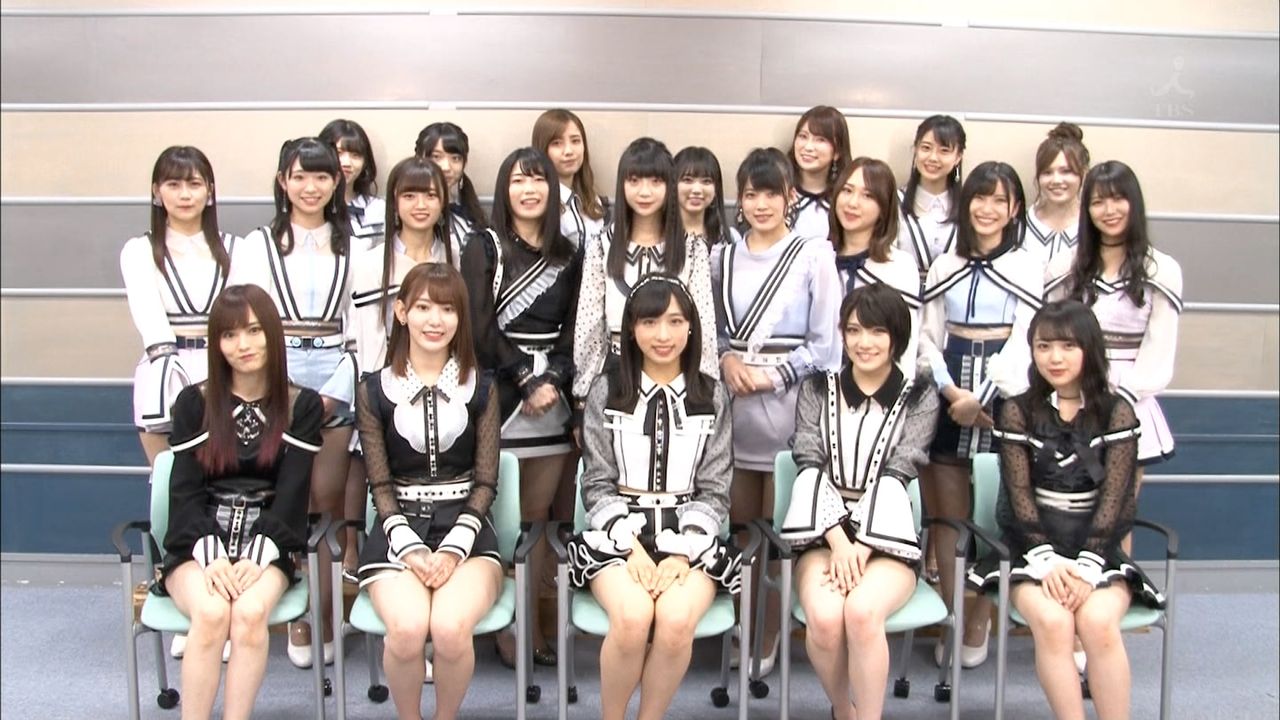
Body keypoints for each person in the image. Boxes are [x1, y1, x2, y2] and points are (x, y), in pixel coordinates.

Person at [970, 299, 1164, 720]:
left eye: (1067, 346)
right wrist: (1048, 562)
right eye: (1043, 346)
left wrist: (1088, 565)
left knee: (1097, 623)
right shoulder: (1016, 410)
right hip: (1031, 548)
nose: (1054, 358)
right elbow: (1016, 500)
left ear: (1089, 349)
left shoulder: (1117, 412)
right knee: (1055, 623)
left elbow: (1118, 501)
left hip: (1098, 549)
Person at [567, 275, 741, 720]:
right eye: (649, 322)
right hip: (618, 536)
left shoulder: (712, 394)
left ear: (691, 327)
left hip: (691, 538)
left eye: (675, 321)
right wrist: (631, 549)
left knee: (677, 621)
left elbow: (716, 486)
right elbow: (596, 481)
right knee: (632, 617)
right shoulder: (606, 390)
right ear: (631, 328)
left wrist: (682, 552)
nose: (663, 335)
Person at [156, 284, 324, 720]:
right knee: (212, 613)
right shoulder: (193, 402)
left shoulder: (302, 405)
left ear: (272, 333)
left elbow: (293, 492)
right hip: (197, 542)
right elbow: (185, 492)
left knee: (249, 614)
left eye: (253, 330)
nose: (242, 345)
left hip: (268, 541)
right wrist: (211, 555)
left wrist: (258, 554)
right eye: (229, 335)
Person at [712, 147, 844, 675]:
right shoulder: (722, 257)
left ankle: (768, 632)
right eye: (751, 194)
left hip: (791, 409)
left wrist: (772, 377)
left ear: (791, 196)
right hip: (735, 408)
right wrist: (726, 360)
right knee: (742, 529)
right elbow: (712, 332)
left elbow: (827, 345)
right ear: (739, 199)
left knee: (781, 531)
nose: (761, 204)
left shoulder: (814, 254)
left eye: (772, 193)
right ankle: (743, 621)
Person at [780, 283, 939, 720]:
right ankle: (843, 712)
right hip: (824, 532)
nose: (863, 342)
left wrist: (863, 545)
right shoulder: (817, 388)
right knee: (825, 620)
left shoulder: (919, 395)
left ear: (896, 337)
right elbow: (808, 460)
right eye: (853, 330)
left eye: (876, 331)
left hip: (886, 536)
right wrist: (839, 541)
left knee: (863, 613)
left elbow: (901, 468)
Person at [355, 263, 504, 720]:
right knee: (405, 630)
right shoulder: (373, 390)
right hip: (397, 529)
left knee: (450, 629)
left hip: (468, 531)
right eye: (422, 307)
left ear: (461, 317)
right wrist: (410, 546)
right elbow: (379, 483)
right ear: (401, 312)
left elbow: (486, 481)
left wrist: (455, 547)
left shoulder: (482, 387)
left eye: (447, 309)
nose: (435, 320)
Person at [230, 137, 355, 667]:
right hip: (271, 380)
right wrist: (274, 390)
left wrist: (333, 391)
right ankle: (277, 612)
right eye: (300, 176)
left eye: (322, 176)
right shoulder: (256, 245)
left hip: (336, 375)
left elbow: (364, 328)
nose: (311, 187)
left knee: (325, 500)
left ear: (336, 182)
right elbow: (242, 325)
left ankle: (322, 612)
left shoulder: (356, 244)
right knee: (276, 498)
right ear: (283, 181)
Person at [918, 160, 1044, 668]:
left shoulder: (1026, 265)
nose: (987, 209)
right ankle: (952, 614)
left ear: (1014, 209)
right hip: (948, 390)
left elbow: (1028, 338)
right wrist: (952, 392)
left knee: (997, 513)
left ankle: (982, 618)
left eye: (999, 200)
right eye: (979, 197)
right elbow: (926, 335)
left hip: (1006, 395)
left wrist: (982, 396)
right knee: (949, 516)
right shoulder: (944, 264)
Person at [461, 146, 583, 668]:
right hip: (501, 393)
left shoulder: (570, 252)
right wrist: (525, 379)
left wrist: (552, 379)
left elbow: (577, 328)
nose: (529, 190)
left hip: (552, 402)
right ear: (503, 189)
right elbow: (478, 325)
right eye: (518, 181)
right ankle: (488, 619)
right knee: (495, 516)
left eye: (538, 181)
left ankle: (527, 623)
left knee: (535, 521)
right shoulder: (483, 245)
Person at [1044, 161, 1182, 539]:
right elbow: (1048, 336)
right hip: (1067, 400)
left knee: (1114, 522)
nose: (1109, 210)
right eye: (1098, 202)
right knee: (1060, 513)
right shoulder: (1064, 267)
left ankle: (1114, 577)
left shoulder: (1161, 270)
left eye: (1118, 199)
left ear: (1134, 203)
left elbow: (1160, 347)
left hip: (1129, 403)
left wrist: (1119, 403)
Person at [345, 155, 456, 596]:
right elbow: (368, 337)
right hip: (387, 392)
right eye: (409, 195)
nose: (420, 205)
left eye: (430, 194)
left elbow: (459, 329)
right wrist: (384, 396)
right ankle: (374, 561)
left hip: (446, 390)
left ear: (444, 200)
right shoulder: (371, 261)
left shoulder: (454, 253)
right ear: (394, 201)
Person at [573, 137, 717, 418]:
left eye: (656, 181)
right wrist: (583, 398)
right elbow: (589, 329)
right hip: (615, 377)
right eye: (634, 180)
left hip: (677, 377)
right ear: (622, 184)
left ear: (669, 185)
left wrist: (705, 389)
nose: (645, 191)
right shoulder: (601, 247)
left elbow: (704, 327)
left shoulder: (691, 249)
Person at [122, 146, 235, 469]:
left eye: (194, 184)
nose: (185, 195)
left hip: (225, 370)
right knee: (168, 482)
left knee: (222, 479)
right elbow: (150, 319)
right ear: (156, 192)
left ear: (210, 192)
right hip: (163, 372)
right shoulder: (139, 251)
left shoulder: (236, 249)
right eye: (173, 184)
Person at [828, 157, 922, 375]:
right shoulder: (817, 259)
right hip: (823, 385)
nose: (853, 203)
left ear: (884, 207)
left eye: (867, 195)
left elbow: (905, 346)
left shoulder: (899, 266)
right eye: (847, 191)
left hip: (880, 387)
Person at [896, 115, 966, 282]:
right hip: (901, 293)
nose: (933, 158)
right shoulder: (894, 202)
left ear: (958, 157)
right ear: (916, 150)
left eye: (944, 150)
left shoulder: (969, 206)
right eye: (926, 148)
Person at [531, 108, 610, 246]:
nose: (568, 151)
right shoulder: (536, 203)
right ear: (542, 149)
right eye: (557, 143)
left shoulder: (593, 200)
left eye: (575, 141)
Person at [415, 121, 489, 253]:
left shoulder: (470, 216)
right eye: (436, 157)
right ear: (419, 158)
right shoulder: (409, 211)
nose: (446, 167)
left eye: (455, 158)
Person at [1026, 123, 1090, 267]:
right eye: (1047, 172)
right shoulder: (1020, 227)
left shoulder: (1094, 226)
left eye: (1066, 171)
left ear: (1084, 173)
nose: (1056, 180)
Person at [788, 105, 852, 242]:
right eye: (803, 136)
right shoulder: (780, 193)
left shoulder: (846, 201)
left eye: (820, 140)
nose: (808, 147)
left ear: (837, 152)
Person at [319, 119, 385, 251]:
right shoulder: (310, 205)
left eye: (356, 155)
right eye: (339, 153)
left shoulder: (378, 209)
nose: (347, 163)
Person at [673, 146, 735, 248]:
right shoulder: (657, 237)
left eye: (706, 181)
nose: (697, 190)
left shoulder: (729, 238)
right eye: (687, 180)